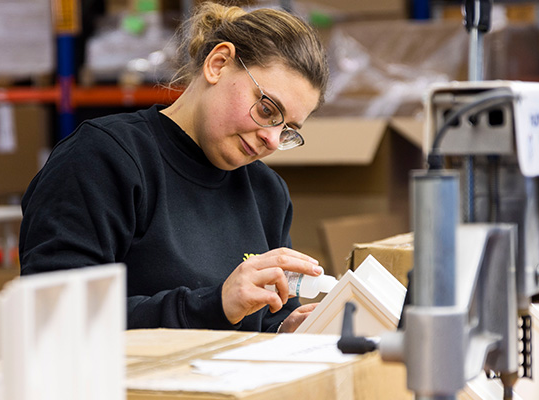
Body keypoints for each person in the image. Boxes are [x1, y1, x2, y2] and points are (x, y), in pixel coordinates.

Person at [18, 2, 329, 333]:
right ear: (218, 63)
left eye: (287, 130)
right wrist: (215, 305)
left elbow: (268, 317)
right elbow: (54, 313)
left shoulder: (267, 193)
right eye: (267, 110)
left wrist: (288, 329)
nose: (271, 139)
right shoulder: (103, 159)